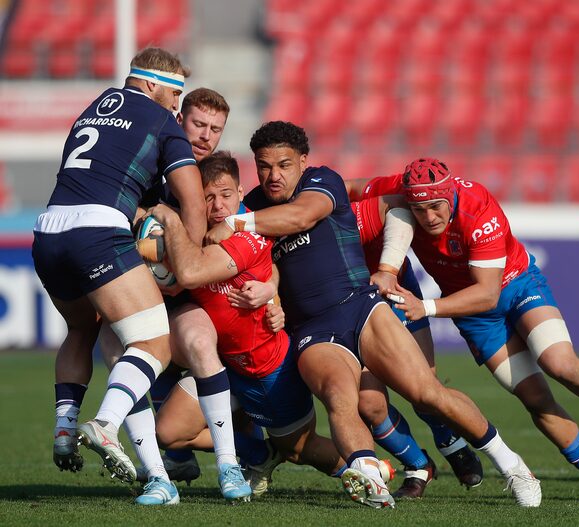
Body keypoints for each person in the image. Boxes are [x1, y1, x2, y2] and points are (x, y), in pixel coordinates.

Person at [206, 121, 542, 508]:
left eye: (283, 164)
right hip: (312, 331)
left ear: (302, 161)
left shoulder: (322, 182)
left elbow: (302, 217)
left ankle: (512, 464)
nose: (273, 175)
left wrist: (386, 266)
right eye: (264, 166)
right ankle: (369, 476)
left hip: (361, 308)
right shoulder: (253, 206)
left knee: (427, 393)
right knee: (341, 399)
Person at [362, 158, 579, 502]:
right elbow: (351, 189)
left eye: (435, 207)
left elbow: (487, 293)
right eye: (419, 209)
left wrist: (426, 306)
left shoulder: (477, 208)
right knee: (534, 398)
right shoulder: (401, 189)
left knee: (559, 363)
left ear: (450, 194)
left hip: (516, 286)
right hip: (474, 315)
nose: (428, 217)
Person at [34, 47, 206, 505]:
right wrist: (188, 265)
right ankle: (106, 424)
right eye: (173, 93)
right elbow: (192, 202)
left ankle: (66, 427)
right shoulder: (162, 121)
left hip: (49, 231)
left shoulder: (93, 110)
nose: (177, 104)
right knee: (153, 345)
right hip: (96, 231)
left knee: (80, 328)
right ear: (151, 85)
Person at [149, 151, 352, 496]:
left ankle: (364, 471)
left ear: (241, 193)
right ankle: (258, 452)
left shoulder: (249, 232)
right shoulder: (197, 234)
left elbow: (190, 272)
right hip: (225, 368)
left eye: (225, 195)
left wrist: (168, 221)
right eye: (207, 197)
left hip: (270, 371)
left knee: (302, 450)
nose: (217, 206)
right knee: (168, 433)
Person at [92, 87, 252, 503]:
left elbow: (229, 236)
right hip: (135, 292)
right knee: (113, 350)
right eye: (198, 124)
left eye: (216, 129)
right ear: (178, 119)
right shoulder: (146, 172)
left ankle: (231, 467)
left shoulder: (213, 179)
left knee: (199, 340)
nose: (206, 136)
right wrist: (144, 221)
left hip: (184, 300)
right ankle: (158, 478)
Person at [351, 194, 484, 498]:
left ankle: (452, 443)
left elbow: (400, 201)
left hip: (396, 293)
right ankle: (418, 465)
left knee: (424, 388)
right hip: (354, 311)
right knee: (370, 404)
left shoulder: (359, 207)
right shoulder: (294, 220)